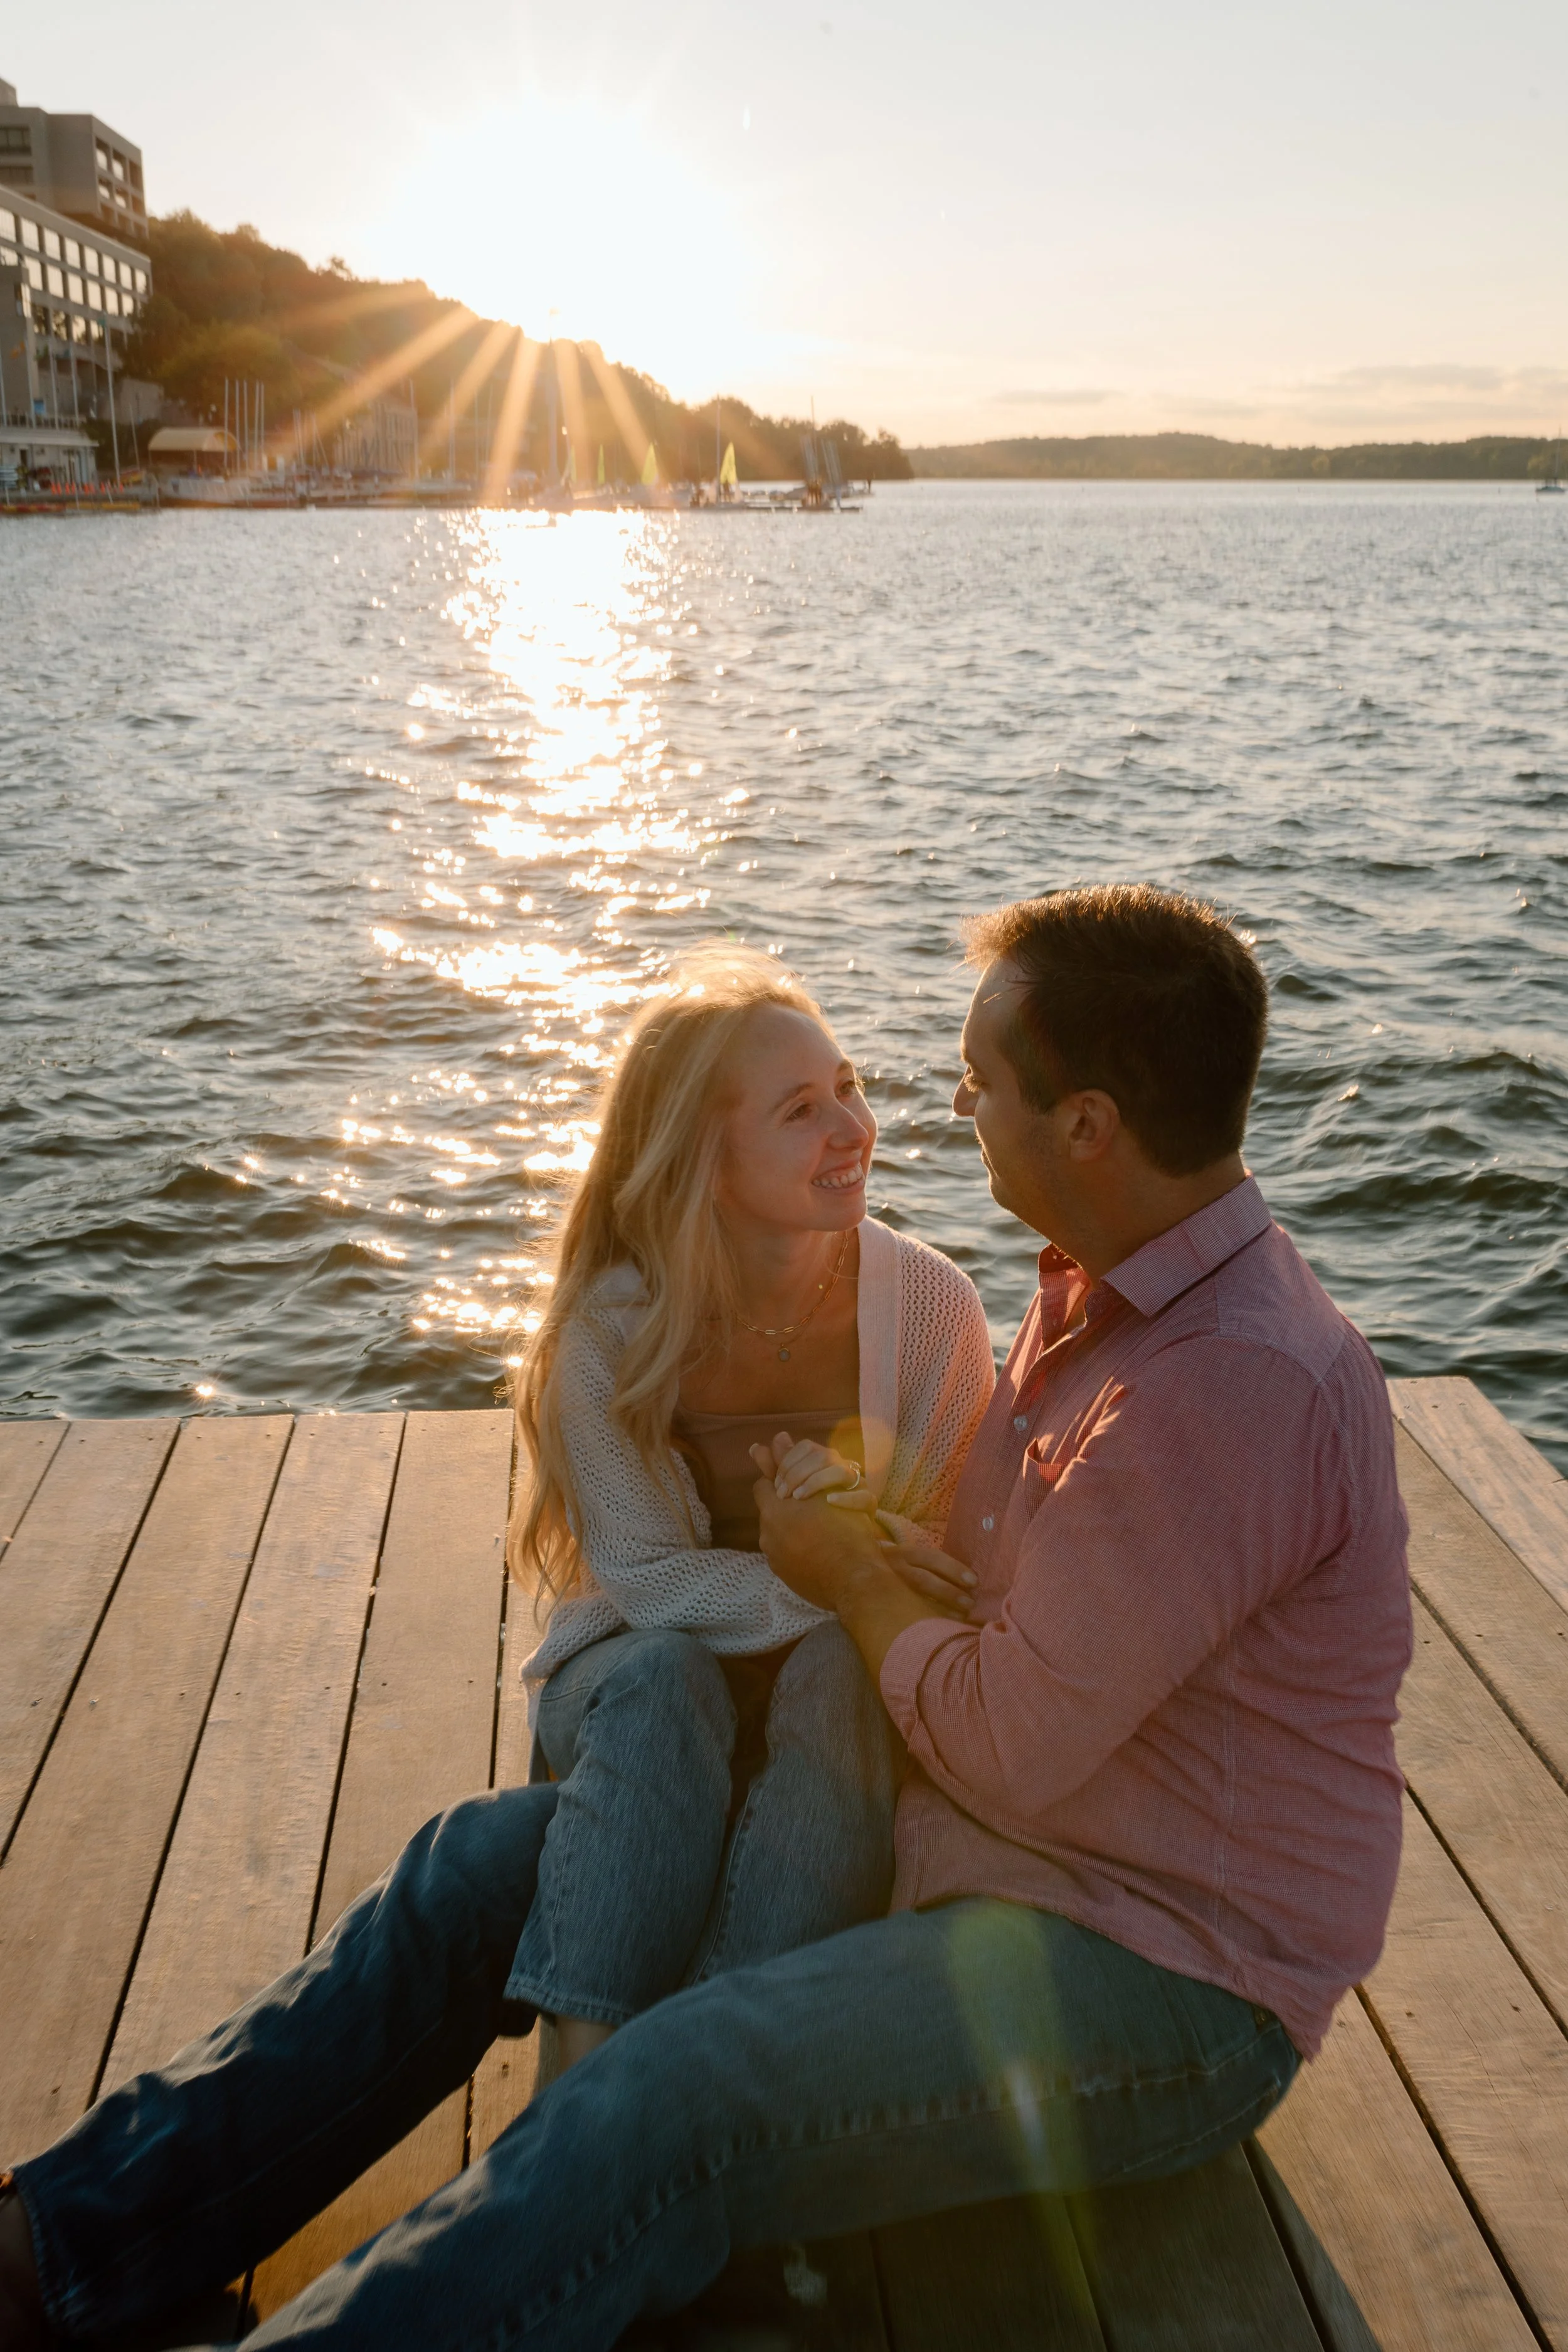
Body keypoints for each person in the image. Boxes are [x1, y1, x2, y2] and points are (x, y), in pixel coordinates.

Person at [0, 884, 1412, 2352]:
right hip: (972, 1852)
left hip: (1146, 1970)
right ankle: (59, 2250)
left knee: (677, 2085)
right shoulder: (1097, 1308)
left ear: (1087, 1127)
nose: (950, 1109)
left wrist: (841, 1569)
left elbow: (1005, 1741)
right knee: (475, 1870)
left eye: (980, 1083)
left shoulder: (1230, 1384)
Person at [502, 945, 993, 2070]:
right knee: (666, 1677)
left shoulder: (931, 1306)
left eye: (850, 1087)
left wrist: (860, 1541)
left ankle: (711, 2073)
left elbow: (944, 1558)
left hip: (830, 1684)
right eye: (800, 1109)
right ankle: (579, 2080)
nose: (853, 1127)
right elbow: (648, 1581)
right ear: (706, 1161)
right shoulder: (609, 1332)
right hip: (634, 1683)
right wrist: (837, 1569)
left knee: (846, 1673)